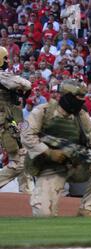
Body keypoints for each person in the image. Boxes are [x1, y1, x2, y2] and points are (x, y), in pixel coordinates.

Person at [21, 79, 91, 217]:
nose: (81, 101)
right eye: (78, 98)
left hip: (75, 164)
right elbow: (26, 136)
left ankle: (86, 209)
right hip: (50, 166)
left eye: (83, 98)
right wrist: (49, 152)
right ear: (67, 96)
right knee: (44, 215)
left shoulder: (82, 116)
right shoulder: (43, 111)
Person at [0, 46, 33, 194]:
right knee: (20, 160)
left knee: (22, 154)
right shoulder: (2, 76)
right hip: (6, 122)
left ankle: (25, 192)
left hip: (11, 120)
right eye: (6, 58)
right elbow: (26, 84)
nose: (8, 61)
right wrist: (21, 89)